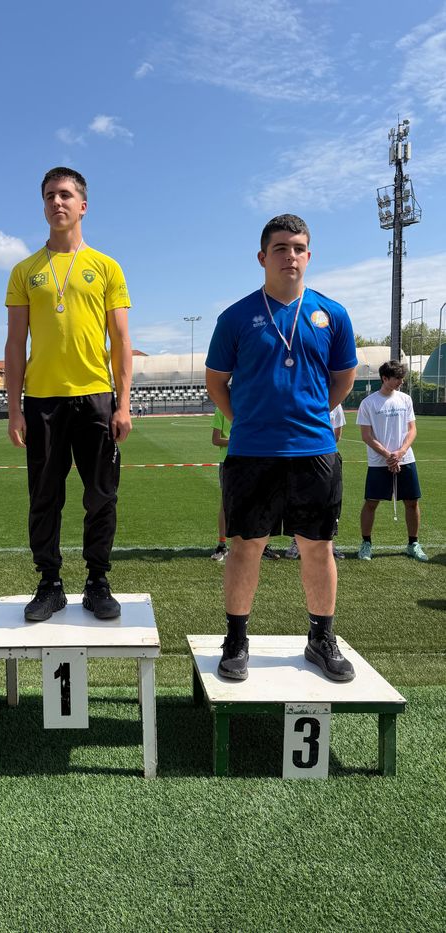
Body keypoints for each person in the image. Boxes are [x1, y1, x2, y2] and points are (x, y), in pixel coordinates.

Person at [206, 214, 357, 682]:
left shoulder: (332, 314)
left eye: (298, 248)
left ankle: (321, 638)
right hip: (252, 453)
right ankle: (236, 639)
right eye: (280, 248)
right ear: (262, 257)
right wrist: (249, 421)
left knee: (318, 548)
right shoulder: (235, 317)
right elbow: (216, 383)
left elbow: (343, 380)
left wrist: (306, 416)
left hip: (314, 452)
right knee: (245, 546)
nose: (289, 256)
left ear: (308, 256)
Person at [4, 167, 132, 621]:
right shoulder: (25, 271)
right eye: (49, 196)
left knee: (101, 495)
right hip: (42, 402)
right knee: (44, 497)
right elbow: (15, 344)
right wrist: (13, 409)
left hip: (96, 397)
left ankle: (97, 582)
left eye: (65, 195)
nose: (56, 203)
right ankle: (50, 583)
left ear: (83, 205)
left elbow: (120, 341)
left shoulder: (106, 267)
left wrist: (125, 402)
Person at [356, 360, 428, 562]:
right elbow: (366, 436)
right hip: (380, 462)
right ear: (384, 378)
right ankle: (366, 543)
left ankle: (413, 543)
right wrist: (389, 455)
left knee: (412, 502)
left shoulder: (405, 399)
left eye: (402, 378)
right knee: (371, 503)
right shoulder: (368, 403)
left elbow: (412, 429)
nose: (401, 382)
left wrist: (401, 452)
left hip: (406, 460)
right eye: (397, 378)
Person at [211, 406, 278, 562]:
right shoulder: (221, 408)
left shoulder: (255, 405)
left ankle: (262, 545)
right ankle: (222, 545)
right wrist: (237, 440)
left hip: (254, 459)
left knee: (259, 503)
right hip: (229, 460)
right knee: (226, 504)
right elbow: (215, 439)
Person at [285, 404, 346, 560]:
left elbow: (337, 434)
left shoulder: (336, 406)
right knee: (301, 500)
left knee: (330, 501)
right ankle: (296, 541)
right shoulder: (306, 399)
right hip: (301, 457)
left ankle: (329, 541)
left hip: (328, 456)